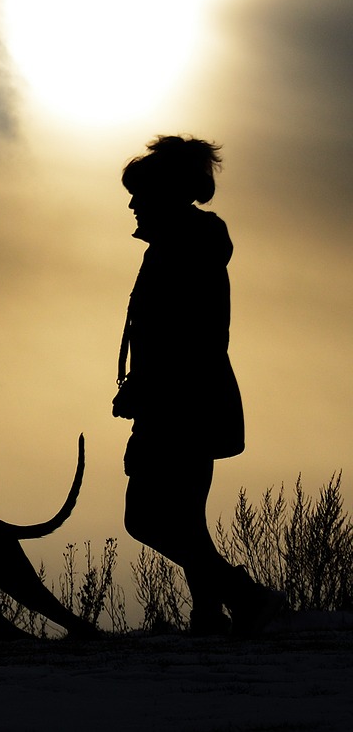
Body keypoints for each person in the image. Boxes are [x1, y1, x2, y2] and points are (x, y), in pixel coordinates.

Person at [112, 135, 284, 636]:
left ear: (164, 194)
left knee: (145, 518)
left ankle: (246, 597)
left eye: (139, 194)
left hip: (181, 403)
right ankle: (209, 615)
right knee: (185, 518)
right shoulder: (184, 245)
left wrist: (144, 387)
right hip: (192, 399)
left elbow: (182, 336)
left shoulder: (183, 250)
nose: (131, 204)